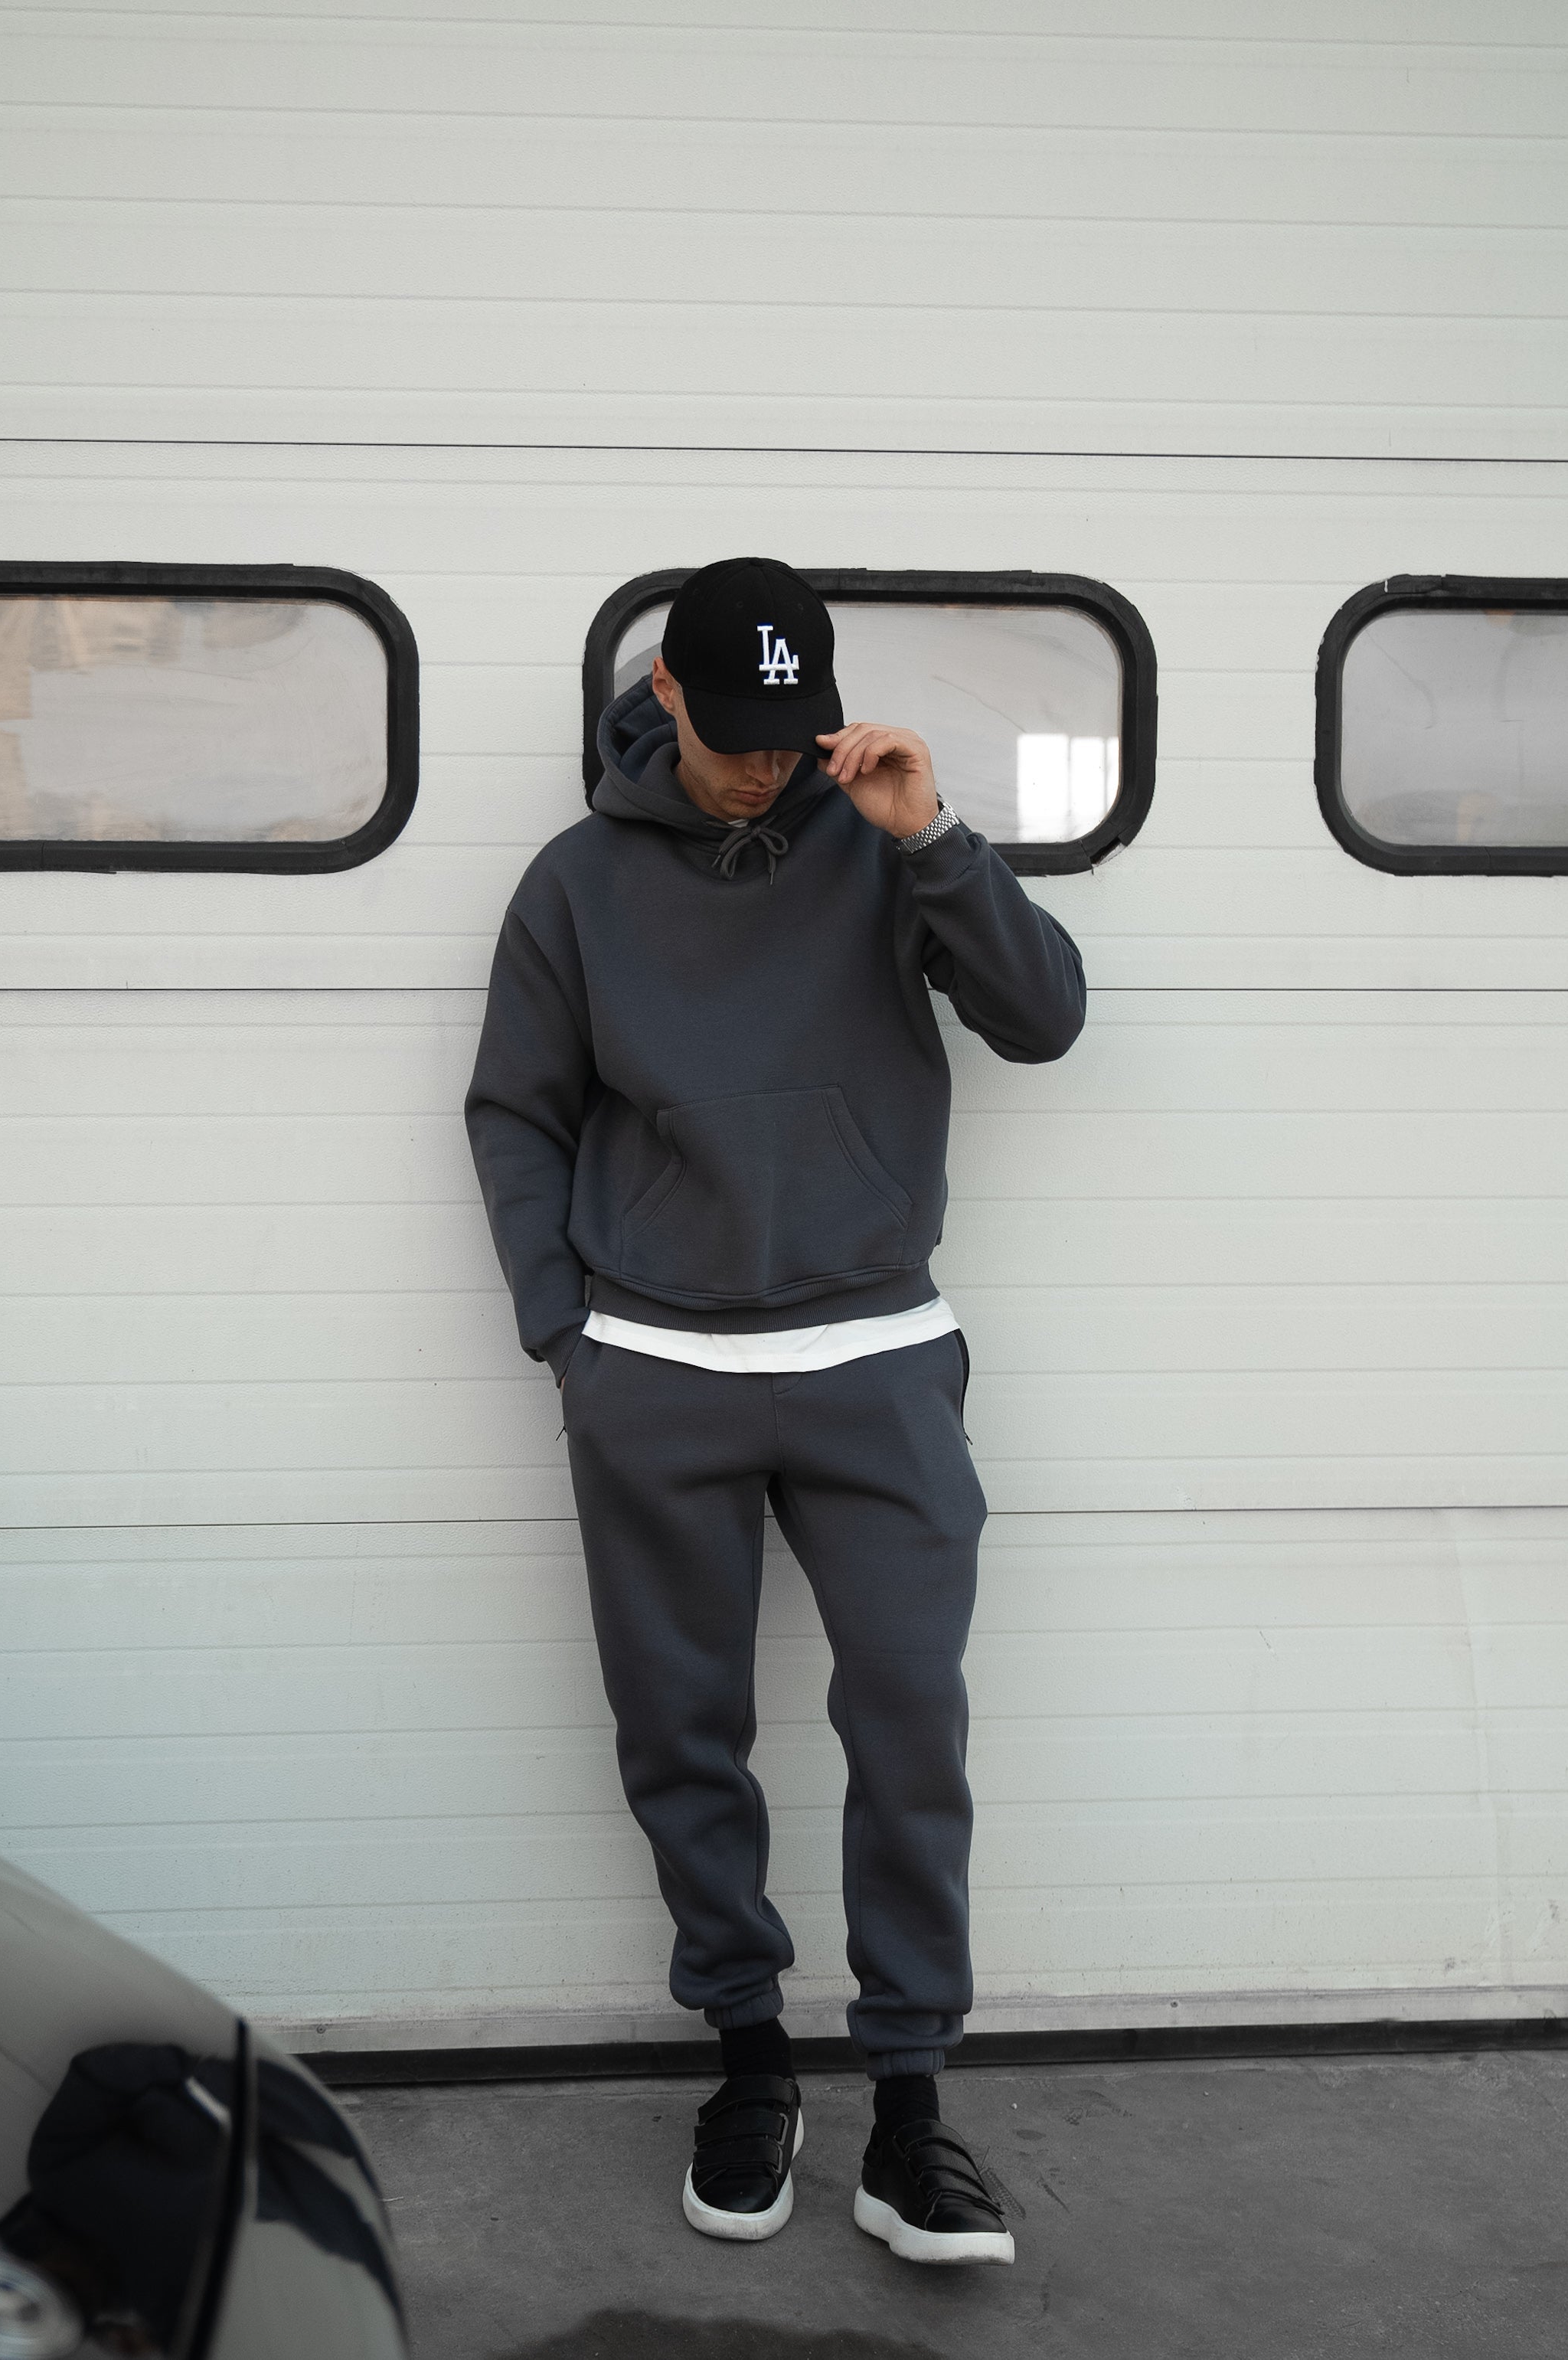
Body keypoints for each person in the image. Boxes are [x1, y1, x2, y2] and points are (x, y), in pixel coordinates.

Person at [466, 557, 1086, 2265]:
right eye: (731, 728)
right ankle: (748, 2061)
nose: (761, 761)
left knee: (908, 1725)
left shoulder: (880, 843)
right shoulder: (576, 884)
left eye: (785, 728)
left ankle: (908, 2111)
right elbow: (516, 1111)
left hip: (875, 1353)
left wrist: (931, 836)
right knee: (681, 1733)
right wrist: (567, 1332)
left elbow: (1043, 1017)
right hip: (654, 1369)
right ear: (665, 691)